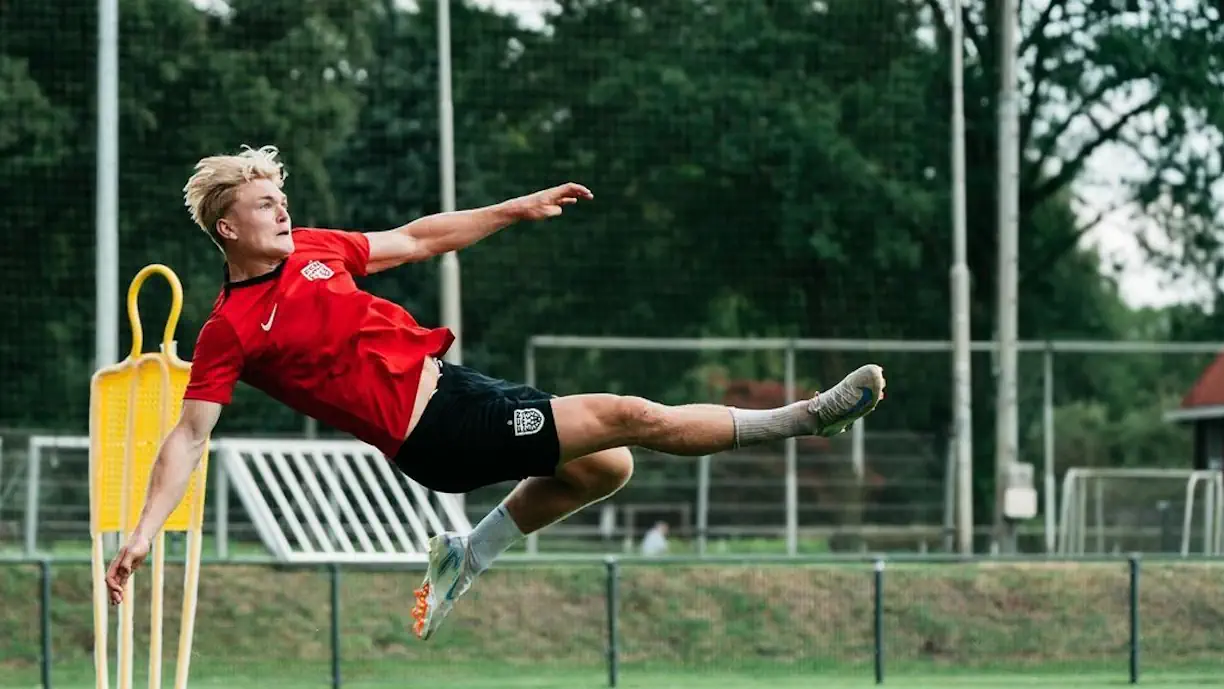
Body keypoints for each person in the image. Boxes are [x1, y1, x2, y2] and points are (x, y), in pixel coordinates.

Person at [103, 145, 886, 641]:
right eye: (263, 202)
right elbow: (189, 436)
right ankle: (809, 417)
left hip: (460, 388)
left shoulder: (315, 248)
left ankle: (465, 553)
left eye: (281, 196)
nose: (282, 207)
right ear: (227, 228)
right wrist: (142, 529)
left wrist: (514, 208)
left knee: (608, 467)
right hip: (437, 433)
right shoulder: (230, 327)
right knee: (630, 415)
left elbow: (416, 239)